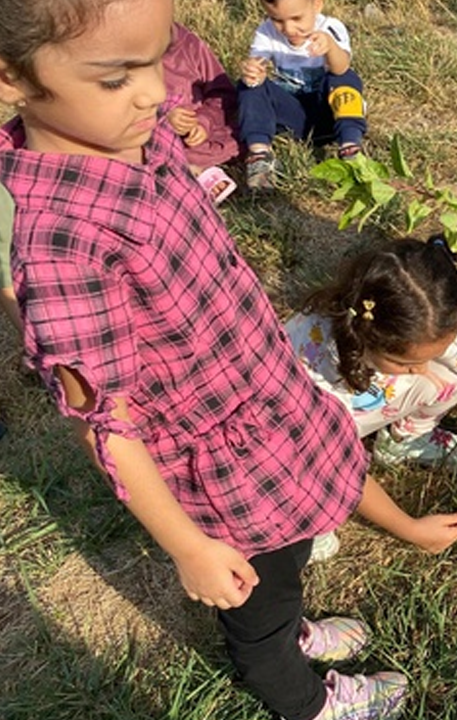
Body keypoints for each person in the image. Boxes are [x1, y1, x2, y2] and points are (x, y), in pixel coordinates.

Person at [0, 1, 405, 718]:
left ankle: (291, 626)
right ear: (12, 78)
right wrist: (187, 546)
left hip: (260, 393)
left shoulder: (129, 132)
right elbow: (105, 424)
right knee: (258, 603)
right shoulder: (64, 247)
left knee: (289, 556)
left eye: (156, 60)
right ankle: (305, 700)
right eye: (117, 77)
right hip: (220, 469)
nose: (155, 92)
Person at [285, 237, 457, 560]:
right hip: (303, 436)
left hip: (355, 412)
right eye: (406, 364)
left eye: (429, 357)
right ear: (366, 338)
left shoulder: (431, 320)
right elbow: (335, 462)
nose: (421, 370)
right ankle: (310, 520)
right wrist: (411, 529)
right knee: (303, 471)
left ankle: (404, 440)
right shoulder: (315, 367)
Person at [237, 0, 367, 191]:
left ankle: (350, 145)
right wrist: (254, 71)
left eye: (297, 18)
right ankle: (259, 154)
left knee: (344, 77)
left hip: (330, 113)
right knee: (250, 85)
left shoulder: (330, 27)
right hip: (294, 116)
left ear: (316, 5)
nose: (289, 29)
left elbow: (341, 67)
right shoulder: (266, 32)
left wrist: (330, 47)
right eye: (277, 20)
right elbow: (258, 62)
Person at [164, 22, 240, 204]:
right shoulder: (117, 56)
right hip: (151, 136)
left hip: (202, 133)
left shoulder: (188, 45)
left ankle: (190, 170)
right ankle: (194, 171)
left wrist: (203, 122)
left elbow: (221, 93)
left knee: (237, 136)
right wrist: (162, 117)